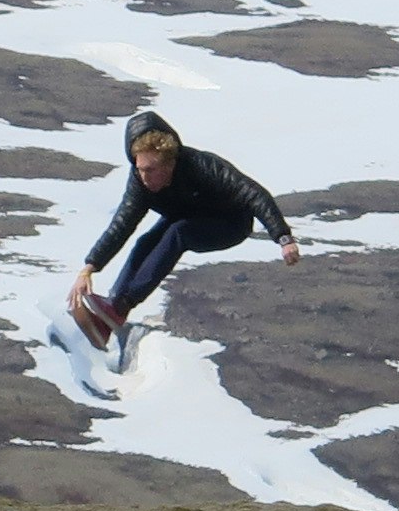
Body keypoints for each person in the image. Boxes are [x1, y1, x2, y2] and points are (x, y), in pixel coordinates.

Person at [69, 110, 296, 343]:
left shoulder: (202, 166)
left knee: (179, 233)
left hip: (230, 223)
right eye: (139, 169)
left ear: (170, 163)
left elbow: (254, 194)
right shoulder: (140, 182)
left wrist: (283, 238)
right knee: (146, 241)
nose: (143, 176)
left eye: (150, 170)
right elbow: (122, 224)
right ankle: (111, 313)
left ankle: (121, 306)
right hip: (186, 215)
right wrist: (89, 267)